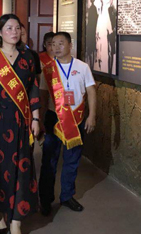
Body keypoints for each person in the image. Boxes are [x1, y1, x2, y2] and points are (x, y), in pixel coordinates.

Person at [0, 14, 41, 234]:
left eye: (17, 28)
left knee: (21, 168)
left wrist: (36, 118)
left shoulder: (28, 58)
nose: (14, 32)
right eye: (9, 28)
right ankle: (2, 214)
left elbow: (33, 90)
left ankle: (16, 220)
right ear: (0, 32)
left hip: (21, 121)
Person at [38, 32, 97, 216]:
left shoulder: (82, 67)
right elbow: (42, 96)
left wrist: (92, 116)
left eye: (61, 43)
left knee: (72, 160)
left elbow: (91, 91)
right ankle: (45, 199)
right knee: (49, 160)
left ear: (70, 45)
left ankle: (67, 196)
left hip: (76, 118)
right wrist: (40, 120)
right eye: (53, 44)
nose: (56, 47)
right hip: (53, 118)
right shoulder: (48, 69)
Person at [38, 31, 55, 119]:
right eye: (49, 44)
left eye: (54, 44)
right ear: (44, 44)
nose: (52, 47)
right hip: (42, 89)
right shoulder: (39, 58)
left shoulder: (60, 58)